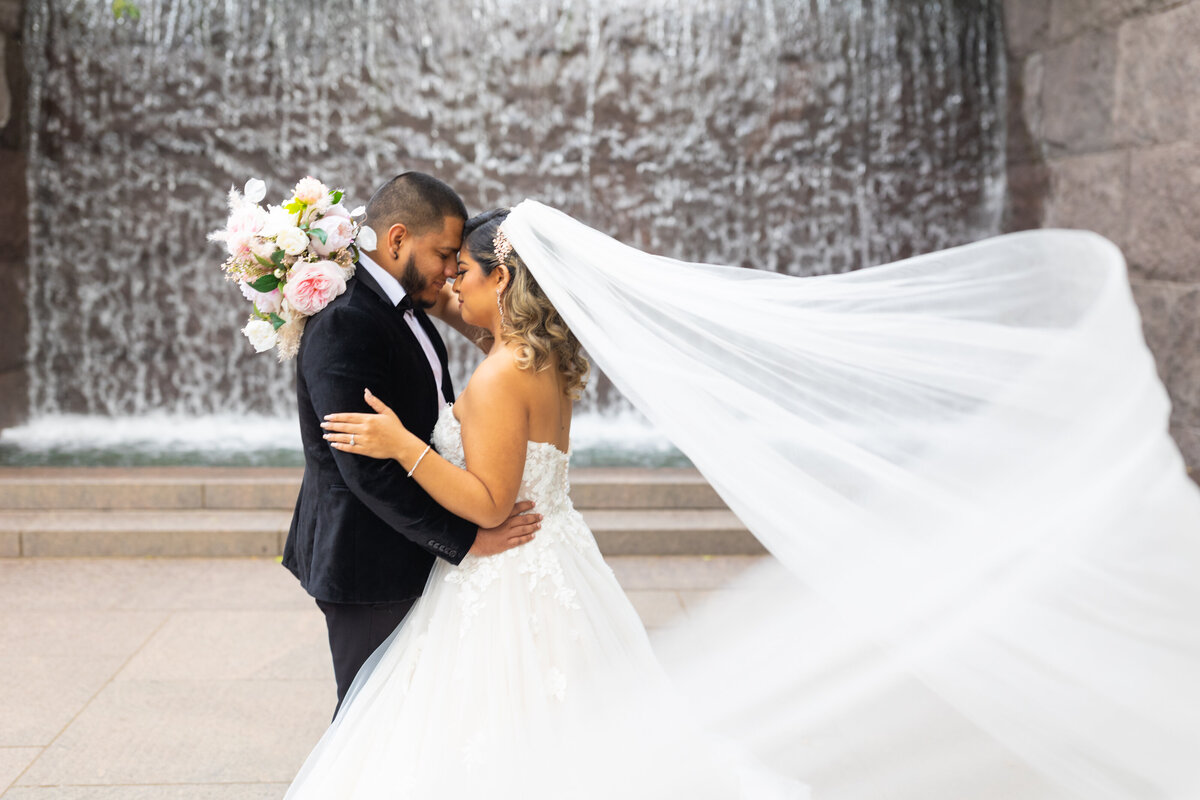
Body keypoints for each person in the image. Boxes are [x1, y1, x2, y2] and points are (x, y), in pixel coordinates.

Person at [301, 200, 1200, 799]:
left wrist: (406, 447)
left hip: (511, 572)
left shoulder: (500, 377)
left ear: (507, 279)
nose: (451, 281)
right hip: (557, 564)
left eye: (466, 271)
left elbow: (493, 503)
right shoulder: (545, 364)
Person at [281, 174, 540, 717]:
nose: (452, 271)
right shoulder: (346, 321)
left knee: (414, 721)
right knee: (369, 722)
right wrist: (466, 540)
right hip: (368, 562)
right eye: (446, 254)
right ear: (397, 240)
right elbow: (363, 470)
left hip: (407, 552)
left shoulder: (407, 305)